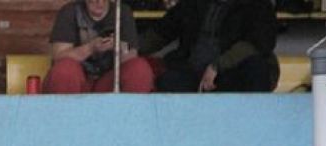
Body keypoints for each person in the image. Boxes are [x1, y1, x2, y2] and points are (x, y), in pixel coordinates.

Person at [139, 0, 278, 92]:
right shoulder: (193, 4)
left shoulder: (258, 5)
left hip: (232, 73)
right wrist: (131, 48)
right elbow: (160, 32)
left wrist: (217, 66)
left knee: (256, 69)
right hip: (193, 71)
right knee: (167, 82)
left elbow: (259, 43)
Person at [43, 0, 154, 93]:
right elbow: (59, 56)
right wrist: (91, 48)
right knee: (65, 70)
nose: (100, 2)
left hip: (108, 82)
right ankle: (66, 112)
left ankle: (130, 112)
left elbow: (131, 56)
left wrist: (119, 46)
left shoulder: (122, 11)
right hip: (78, 82)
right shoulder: (70, 11)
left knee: (139, 69)